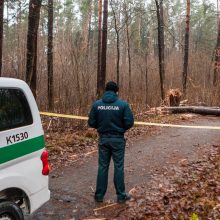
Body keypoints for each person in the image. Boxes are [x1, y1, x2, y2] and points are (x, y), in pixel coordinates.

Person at [88, 81, 134, 203]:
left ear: (106, 91)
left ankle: (99, 196)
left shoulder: (97, 105)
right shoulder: (123, 105)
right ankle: (121, 196)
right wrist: (121, 129)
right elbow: (129, 122)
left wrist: (101, 126)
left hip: (103, 139)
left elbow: (91, 123)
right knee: (118, 167)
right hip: (118, 139)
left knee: (103, 167)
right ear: (116, 91)